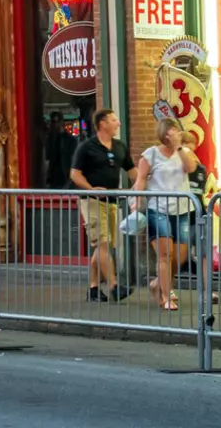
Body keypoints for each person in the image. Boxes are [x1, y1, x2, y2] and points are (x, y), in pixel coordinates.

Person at [133, 118, 198, 312]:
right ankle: (166, 295)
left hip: (183, 209)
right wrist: (135, 203)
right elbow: (141, 179)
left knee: (180, 256)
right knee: (165, 254)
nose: (175, 134)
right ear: (164, 134)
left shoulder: (185, 153)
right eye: (171, 132)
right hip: (158, 208)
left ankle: (157, 283)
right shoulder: (150, 155)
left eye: (177, 131)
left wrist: (179, 148)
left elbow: (190, 169)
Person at [70, 108, 132, 302]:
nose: (118, 123)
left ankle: (94, 288)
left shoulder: (120, 146)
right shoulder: (86, 147)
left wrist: (145, 186)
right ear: (103, 124)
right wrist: (91, 189)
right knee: (103, 242)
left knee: (103, 245)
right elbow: (75, 174)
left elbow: (132, 171)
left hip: (112, 201)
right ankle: (114, 286)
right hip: (93, 201)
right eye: (114, 120)